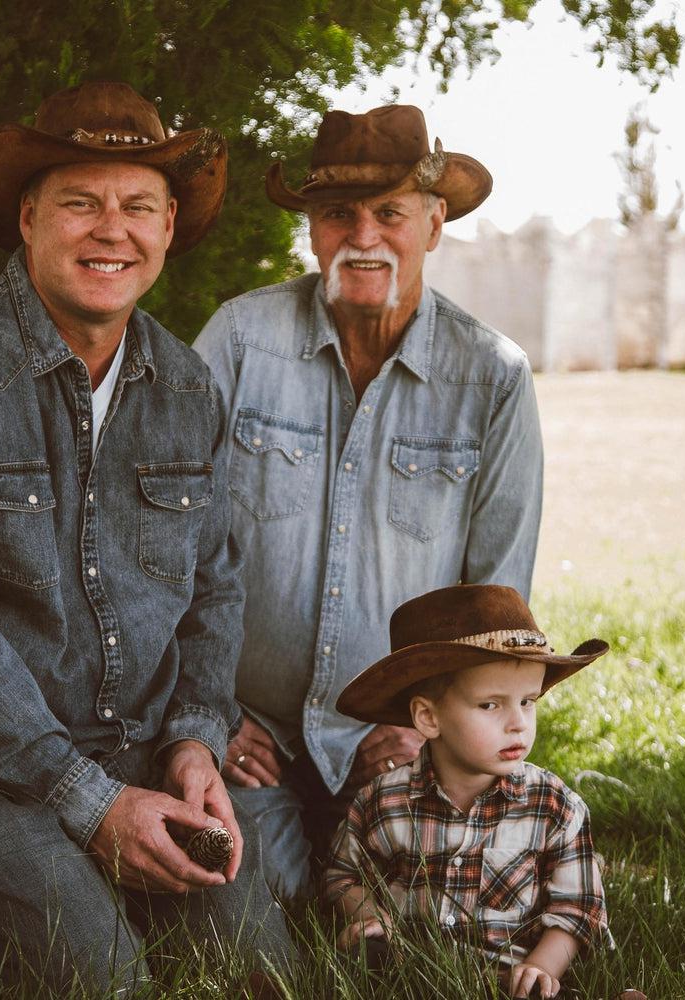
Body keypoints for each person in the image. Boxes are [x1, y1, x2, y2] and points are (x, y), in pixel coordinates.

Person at [0, 80, 292, 994]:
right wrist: (91, 805)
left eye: (138, 206)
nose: (109, 230)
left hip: (126, 754)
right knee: (107, 983)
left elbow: (213, 591)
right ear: (30, 218)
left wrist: (193, 745)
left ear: (166, 230)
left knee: (256, 972)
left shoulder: (188, 388)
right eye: (81, 202)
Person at [193, 103, 544, 895]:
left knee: (440, 922)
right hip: (253, 734)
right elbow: (163, 543)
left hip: (408, 739)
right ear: (312, 229)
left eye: (390, 213)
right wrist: (208, 710)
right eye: (337, 214)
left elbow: (500, 602)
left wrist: (431, 724)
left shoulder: (492, 376)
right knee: (239, 913)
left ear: (434, 224)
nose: (364, 235)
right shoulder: (240, 341)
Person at [324, 584, 617, 999]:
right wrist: (369, 917)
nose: (518, 723)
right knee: (360, 972)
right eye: (491, 705)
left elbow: (579, 907)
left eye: (528, 702)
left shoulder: (554, 807)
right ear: (428, 717)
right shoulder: (382, 802)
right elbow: (343, 875)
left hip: (510, 979)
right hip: (408, 971)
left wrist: (542, 967)